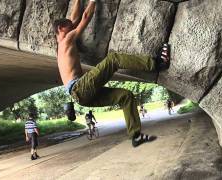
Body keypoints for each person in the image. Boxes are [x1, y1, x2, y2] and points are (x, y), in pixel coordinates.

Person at [54, 0, 170, 147]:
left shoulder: (61, 45)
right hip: (80, 88)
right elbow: (84, 17)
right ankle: (157, 63)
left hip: (82, 98)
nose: (73, 27)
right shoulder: (67, 40)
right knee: (113, 59)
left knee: (125, 96)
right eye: (70, 27)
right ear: (61, 28)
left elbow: (75, 18)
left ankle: (135, 135)